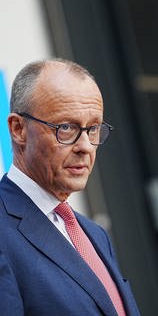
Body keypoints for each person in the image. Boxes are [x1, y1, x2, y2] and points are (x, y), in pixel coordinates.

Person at [0, 58, 140, 315]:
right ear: (18, 129)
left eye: (93, 129)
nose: (85, 146)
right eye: (65, 128)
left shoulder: (95, 234)